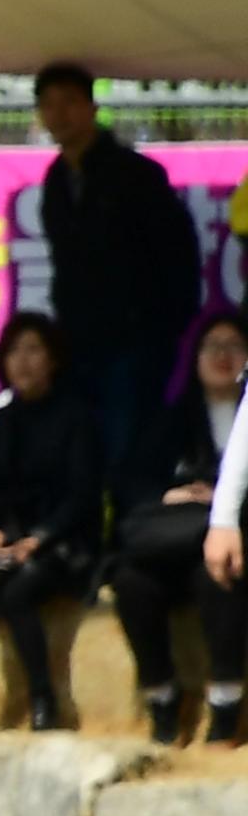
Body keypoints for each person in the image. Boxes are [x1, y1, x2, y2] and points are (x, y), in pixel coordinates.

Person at [0, 313, 105, 730]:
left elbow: (82, 496)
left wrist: (38, 540)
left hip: (65, 543)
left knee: (17, 594)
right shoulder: (1, 422)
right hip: (12, 541)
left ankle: (42, 699)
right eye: (13, 351)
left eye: (33, 350)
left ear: (53, 360)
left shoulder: (76, 418)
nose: (22, 361)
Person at [33, 60, 201, 481]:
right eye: (49, 105)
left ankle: (129, 538)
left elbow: (178, 255)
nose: (59, 115)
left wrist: (161, 328)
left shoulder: (135, 174)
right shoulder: (55, 181)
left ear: (92, 108)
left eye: (69, 102)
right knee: (83, 447)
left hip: (134, 342)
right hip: (77, 341)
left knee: (127, 447)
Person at [104, 311, 248, 745]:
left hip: (227, 543)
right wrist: (172, 496)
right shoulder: (170, 419)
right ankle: (162, 697)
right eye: (213, 346)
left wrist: (225, 503)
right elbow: (132, 481)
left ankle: (225, 701)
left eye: (234, 346)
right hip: (171, 542)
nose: (223, 356)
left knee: (218, 574)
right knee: (130, 581)